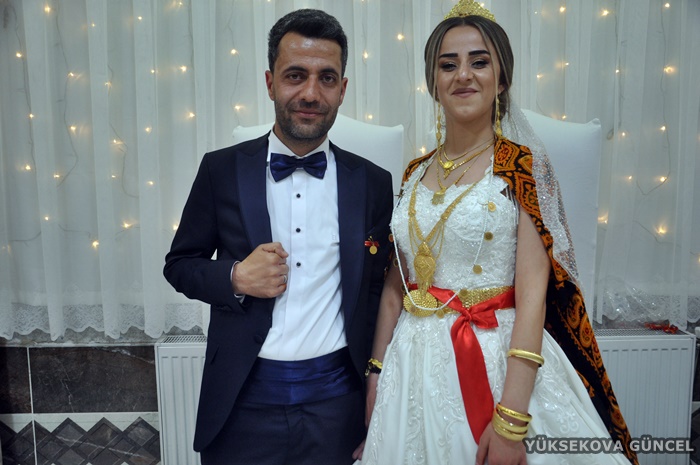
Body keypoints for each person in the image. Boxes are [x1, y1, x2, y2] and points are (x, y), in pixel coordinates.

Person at [356, 1, 638, 464]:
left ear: (502, 79)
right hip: (409, 368)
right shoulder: (414, 172)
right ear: (433, 82)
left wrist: (511, 422)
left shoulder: (521, 168)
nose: (463, 75)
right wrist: (376, 373)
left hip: (495, 358)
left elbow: (533, 298)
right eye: (448, 65)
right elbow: (396, 286)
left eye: (479, 62)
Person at [164, 8, 394, 465]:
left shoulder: (374, 182)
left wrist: (378, 388)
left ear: (343, 89)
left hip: (338, 404)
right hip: (242, 401)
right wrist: (234, 276)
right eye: (295, 75)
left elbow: (378, 292)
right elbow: (180, 265)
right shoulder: (220, 169)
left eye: (327, 78)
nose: (310, 93)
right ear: (270, 83)